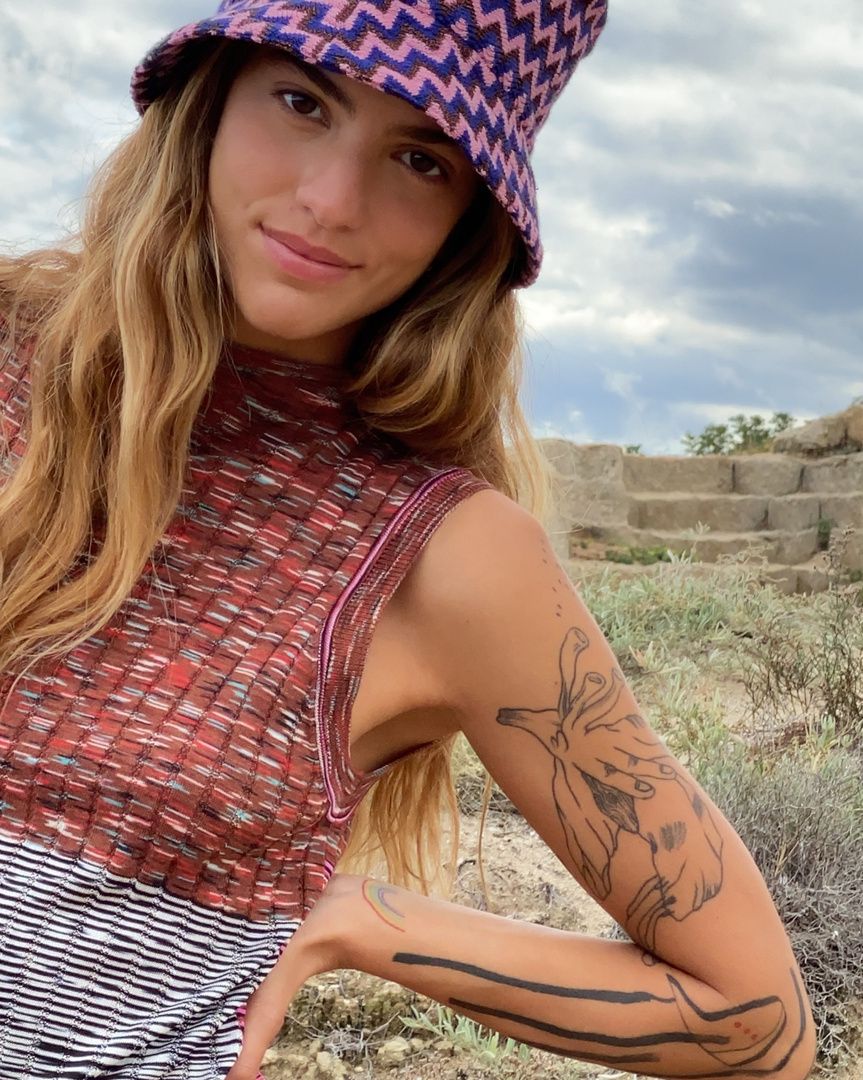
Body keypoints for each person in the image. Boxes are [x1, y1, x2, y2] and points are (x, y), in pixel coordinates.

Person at [0, 2, 817, 1079]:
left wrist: (362, 920)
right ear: (210, 99)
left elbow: (753, 1020)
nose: (331, 202)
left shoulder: (445, 557)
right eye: (301, 103)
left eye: (420, 160)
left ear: (468, 221)